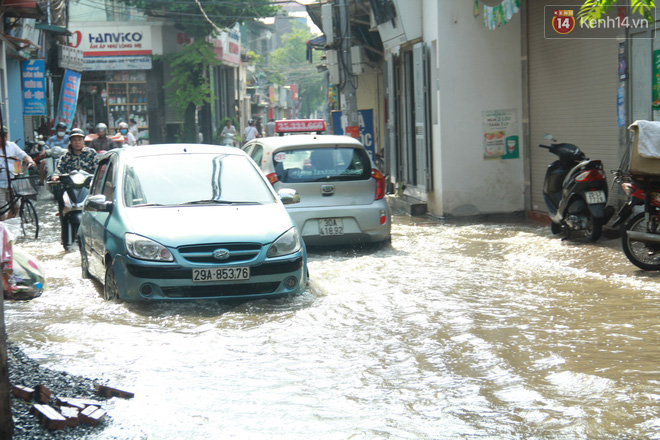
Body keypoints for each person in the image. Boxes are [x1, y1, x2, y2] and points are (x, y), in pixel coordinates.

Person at [0, 127, 36, 219]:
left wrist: (30, 161)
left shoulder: (12, 146)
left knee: (16, 207)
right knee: (1, 210)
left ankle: (7, 226)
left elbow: (24, 155)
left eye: (4, 136)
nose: (3, 138)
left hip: (12, 182)